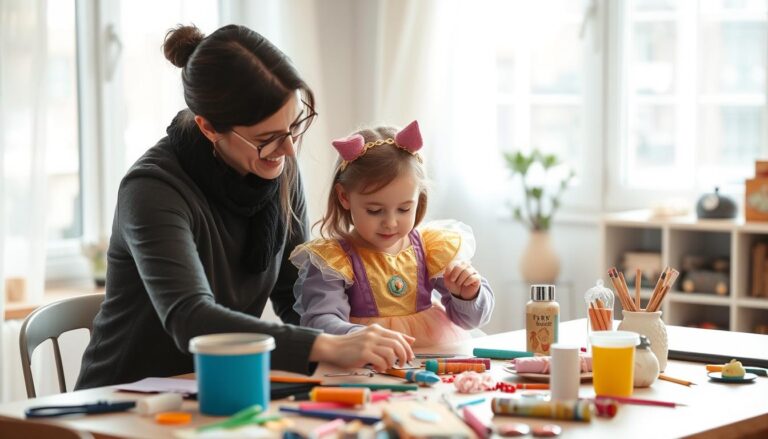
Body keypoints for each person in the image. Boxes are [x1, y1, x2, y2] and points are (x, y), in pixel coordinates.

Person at [76, 24, 415, 389]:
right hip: (121, 400)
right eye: (266, 139)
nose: (288, 150)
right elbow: (190, 318)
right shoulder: (152, 190)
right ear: (208, 127)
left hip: (217, 389)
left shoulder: (277, 169)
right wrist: (328, 345)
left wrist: (352, 336)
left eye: (295, 125)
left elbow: (294, 295)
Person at [290, 121, 494, 348]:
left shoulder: (431, 248)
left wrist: (467, 295)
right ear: (344, 197)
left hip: (431, 358)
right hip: (366, 360)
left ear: (419, 197)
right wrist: (360, 336)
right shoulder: (333, 260)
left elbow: (470, 320)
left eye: (404, 209)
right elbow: (319, 323)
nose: (390, 223)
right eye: (375, 210)